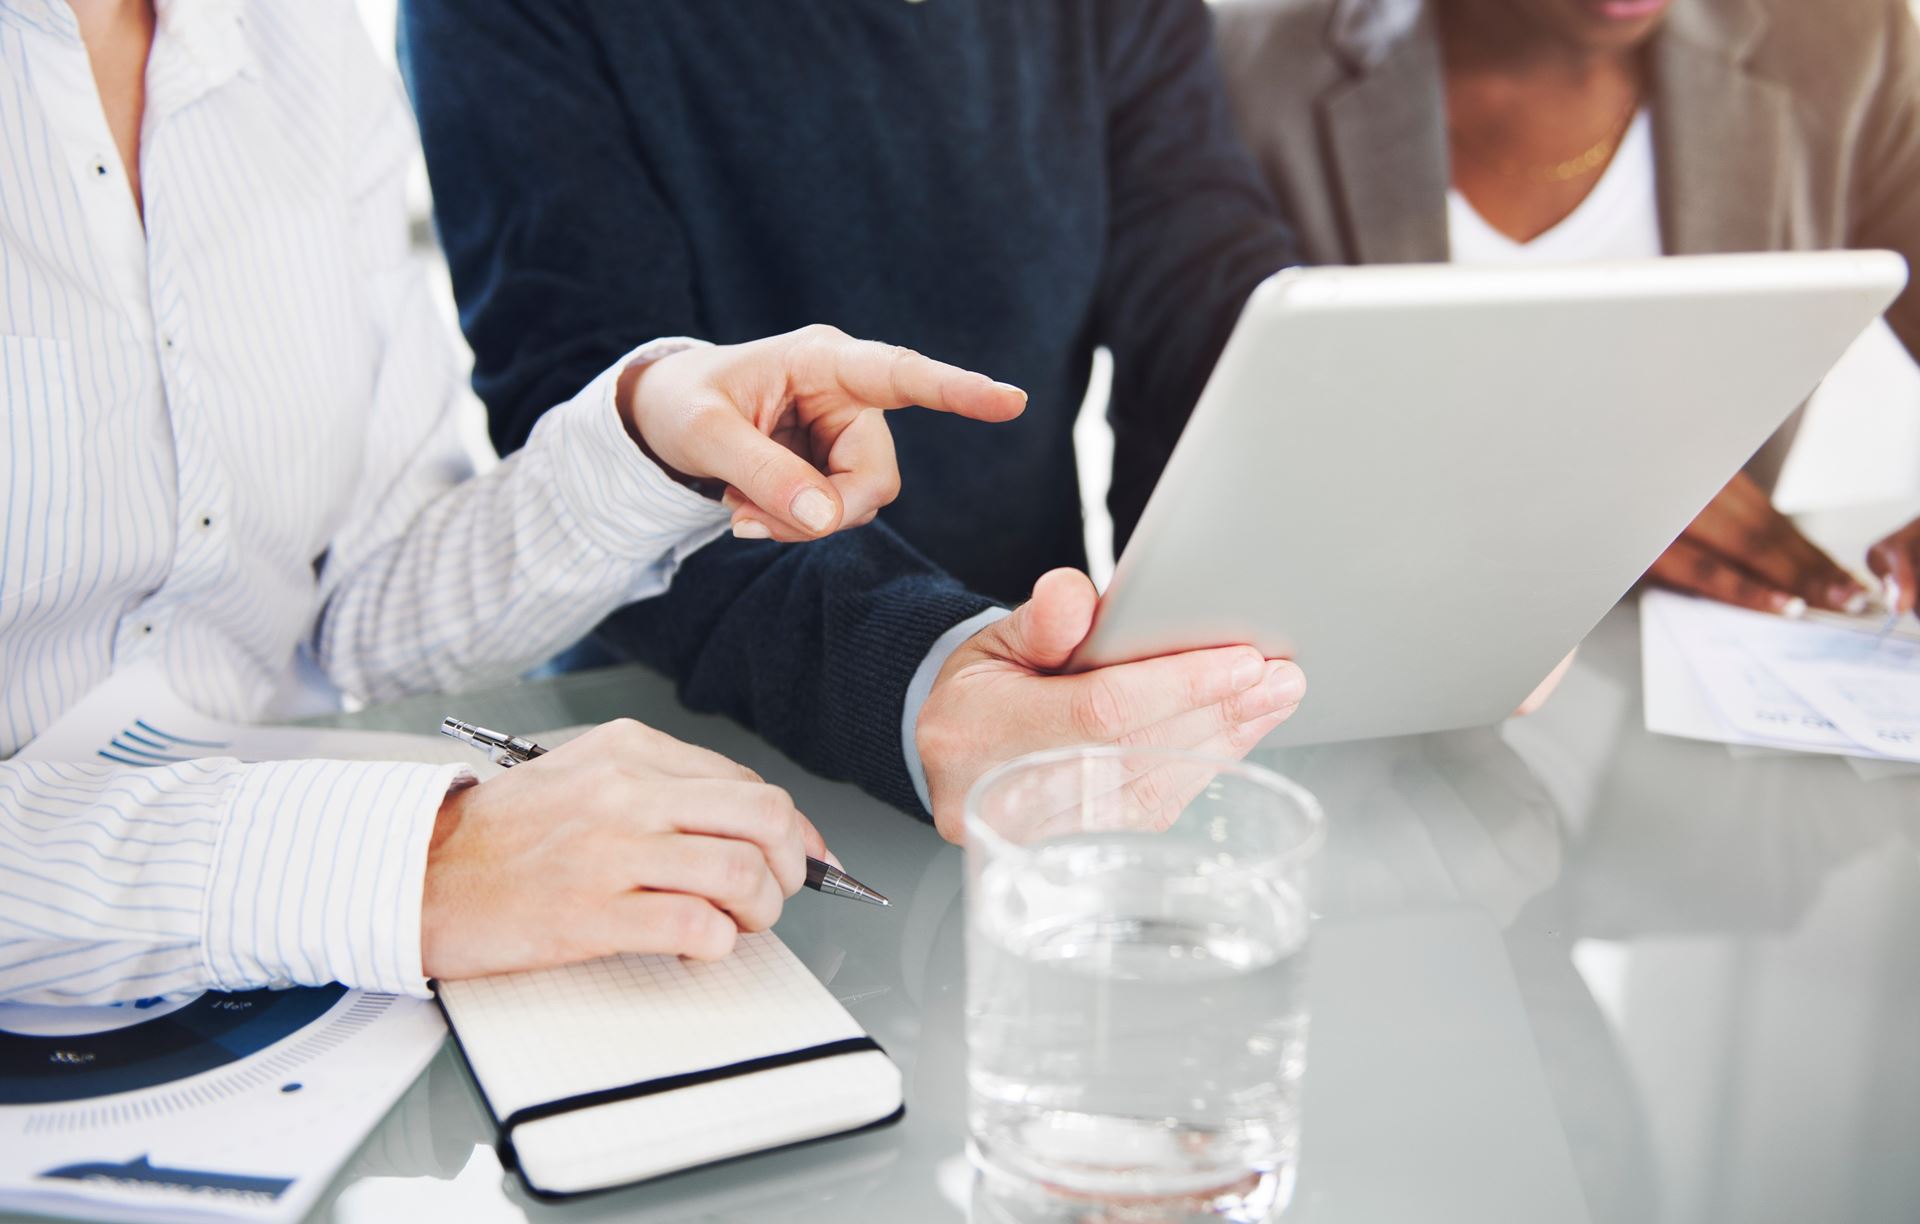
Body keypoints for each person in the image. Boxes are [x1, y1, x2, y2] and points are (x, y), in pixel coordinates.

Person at [2, 0, 1283, 1005]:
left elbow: (358, 606)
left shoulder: (288, 41)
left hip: (345, 942)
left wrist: (645, 448)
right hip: (635, 767)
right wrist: (412, 859)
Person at [398, 0, 1313, 830]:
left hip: (1054, 705)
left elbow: (1197, 299)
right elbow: (593, 419)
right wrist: (923, 677)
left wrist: (1212, 601)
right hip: (665, 747)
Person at [1214, 0, 1920, 619]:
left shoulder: (1848, 38)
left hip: (1696, 682)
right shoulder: (1240, 68)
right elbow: (1205, 474)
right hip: (1354, 659)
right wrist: (1567, 490)